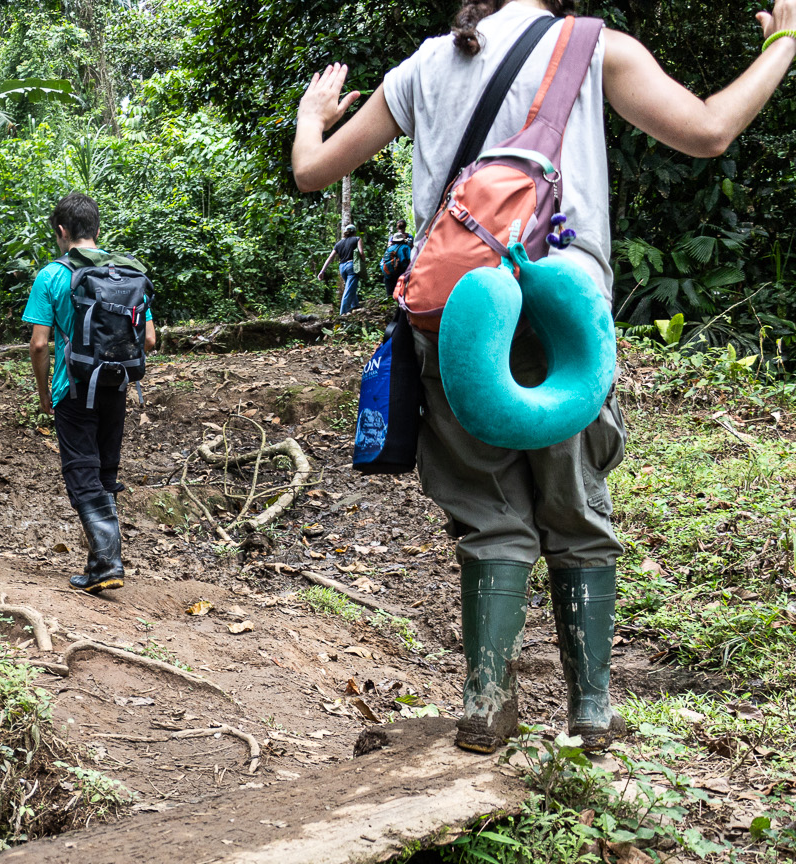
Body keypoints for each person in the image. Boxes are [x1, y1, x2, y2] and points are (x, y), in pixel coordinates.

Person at [292, 0, 796, 753]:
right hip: (562, 313)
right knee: (577, 511)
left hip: (457, 313)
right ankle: (590, 711)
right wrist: (783, 44)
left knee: (488, 512)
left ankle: (485, 703)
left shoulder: (426, 64)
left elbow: (310, 171)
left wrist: (313, 111)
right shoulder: (594, 48)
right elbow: (709, 130)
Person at [22, 193, 157, 595]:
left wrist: (45, 394)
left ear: (61, 232)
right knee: (104, 472)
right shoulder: (127, 272)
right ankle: (102, 562)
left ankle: (107, 561)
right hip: (117, 382)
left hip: (74, 385)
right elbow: (148, 339)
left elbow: (39, 345)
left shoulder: (51, 275)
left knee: (81, 472)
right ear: (97, 230)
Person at [317, 222, 365, 313]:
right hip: (352, 266)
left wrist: (322, 271)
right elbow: (361, 252)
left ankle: (355, 305)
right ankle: (342, 313)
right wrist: (363, 260)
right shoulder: (357, 239)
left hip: (342, 267)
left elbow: (330, 257)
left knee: (350, 286)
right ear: (354, 232)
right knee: (348, 289)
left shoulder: (339, 243)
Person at [380, 228, 415, 295]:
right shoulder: (405, 247)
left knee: (390, 292)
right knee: (401, 291)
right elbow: (410, 259)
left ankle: (390, 299)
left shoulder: (389, 248)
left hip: (389, 271)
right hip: (400, 271)